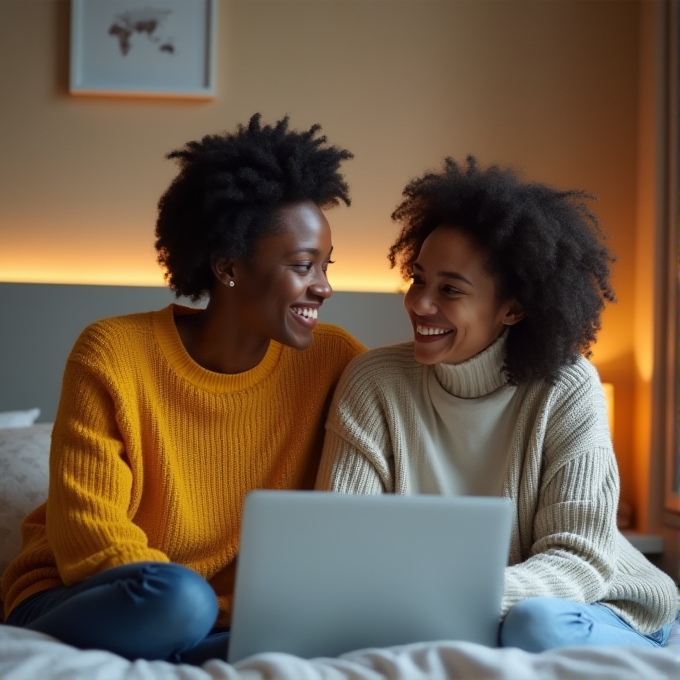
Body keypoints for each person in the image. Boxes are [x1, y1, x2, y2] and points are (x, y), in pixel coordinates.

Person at [1, 114, 365, 664]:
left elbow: (412, 407)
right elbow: (86, 538)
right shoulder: (112, 352)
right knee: (180, 600)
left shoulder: (337, 361)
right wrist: (206, 612)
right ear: (228, 268)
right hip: (89, 595)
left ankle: (209, 646)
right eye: (302, 265)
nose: (325, 286)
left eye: (326, 265)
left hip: (226, 618)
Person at [316, 155, 679, 652]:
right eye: (419, 278)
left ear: (512, 308)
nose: (419, 303)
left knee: (533, 627)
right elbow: (339, 544)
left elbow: (578, 559)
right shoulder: (373, 382)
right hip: (442, 610)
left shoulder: (568, 387)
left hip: (598, 607)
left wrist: (450, 598)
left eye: (450, 290)